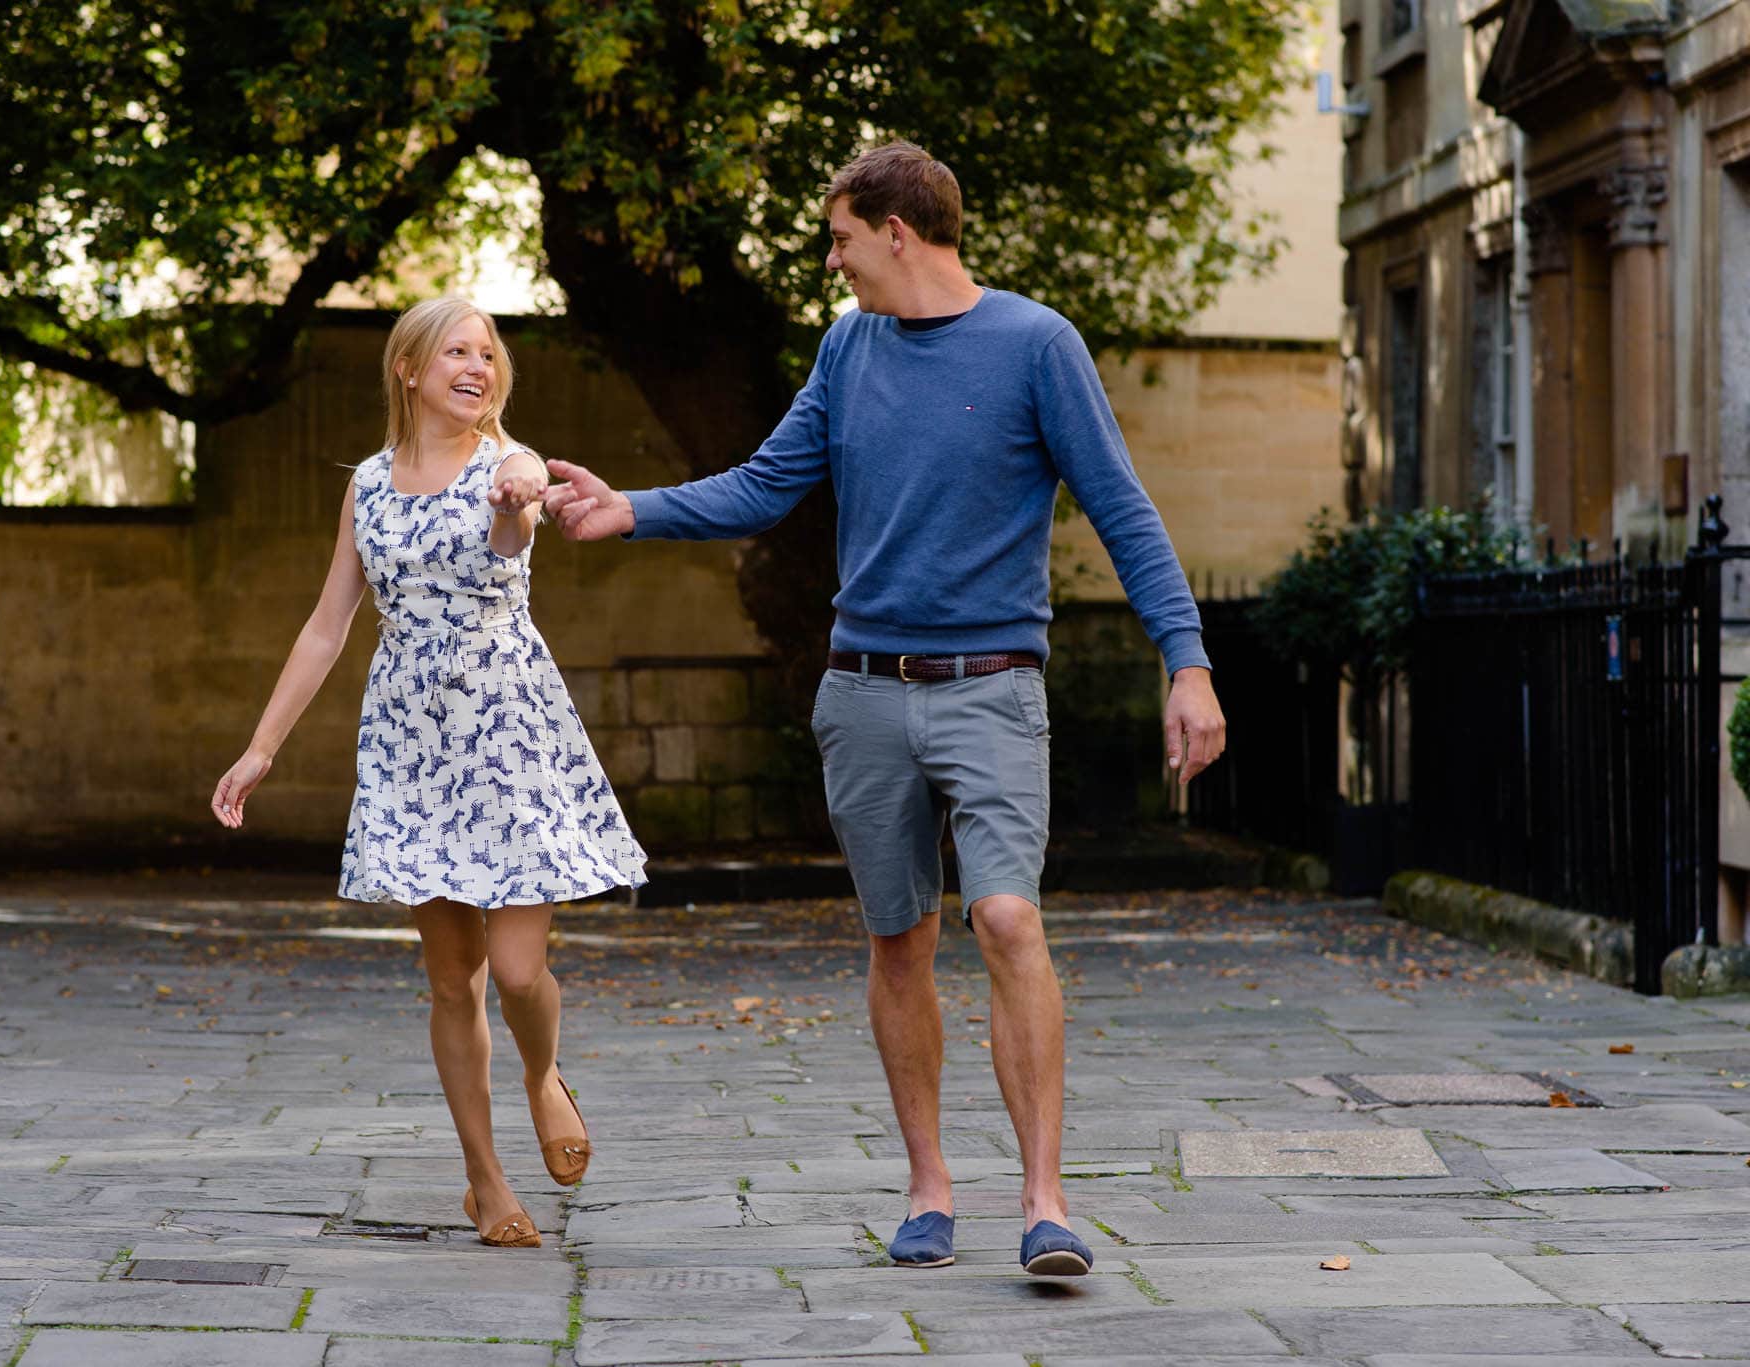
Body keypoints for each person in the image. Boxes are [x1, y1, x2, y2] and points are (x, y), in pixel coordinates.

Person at [542, 142, 1226, 1277]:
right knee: (896, 937)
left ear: (896, 231)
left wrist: (1187, 660)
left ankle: (1044, 1202)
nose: (833, 258)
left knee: (1005, 918)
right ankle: (927, 1187)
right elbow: (767, 482)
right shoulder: (848, 347)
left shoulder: (1033, 345)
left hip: (992, 689)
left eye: (841, 237)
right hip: (860, 693)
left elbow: (1121, 507)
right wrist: (633, 509)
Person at [211, 296, 649, 1249]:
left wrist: (516, 499)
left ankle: (542, 1076)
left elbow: (512, 532)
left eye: (488, 353)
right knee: (453, 981)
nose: (478, 365)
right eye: (457, 350)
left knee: (522, 969)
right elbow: (329, 625)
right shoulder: (367, 484)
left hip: (510, 738)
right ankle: (485, 1182)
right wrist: (261, 747)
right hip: (412, 745)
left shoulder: (509, 465)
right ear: (408, 369)